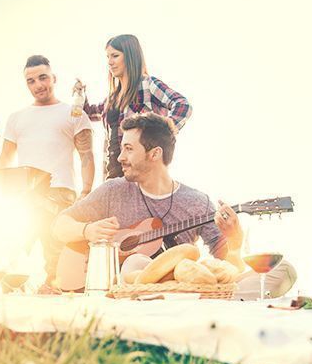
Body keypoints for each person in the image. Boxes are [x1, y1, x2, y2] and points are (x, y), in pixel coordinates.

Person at [52, 113, 295, 299]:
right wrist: (87, 230)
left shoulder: (197, 202)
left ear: (154, 154)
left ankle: (185, 300)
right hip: (126, 288)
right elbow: (59, 225)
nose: (120, 157)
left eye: (128, 149)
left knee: (283, 270)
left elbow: (228, 272)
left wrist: (235, 240)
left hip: (182, 290)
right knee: (135, 263)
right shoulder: (112, 190)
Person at [0, 55, 95, 287]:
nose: (38, 85)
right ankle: (12, 300)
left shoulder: (74, 114)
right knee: (12, 255)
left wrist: (86, 191)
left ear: (54, 78)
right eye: (31, 81)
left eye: (43, 78)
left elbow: (86, 156)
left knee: (57, 256)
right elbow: (4, 159)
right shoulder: (16, 118)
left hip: (60, 194)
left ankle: (58, 296)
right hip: (23, 195)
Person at [77, 34, 192, 179]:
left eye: (115, 56)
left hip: (142, 175)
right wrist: (80, 94)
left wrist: (162, 133)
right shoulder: (112, 98)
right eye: (108, 57)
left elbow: (182, 105)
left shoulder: (148, 85)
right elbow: (88, 113)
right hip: (113, 176)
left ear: (130, 57)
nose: (110, 62)